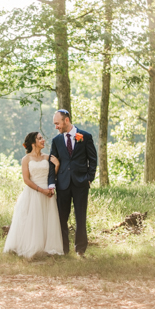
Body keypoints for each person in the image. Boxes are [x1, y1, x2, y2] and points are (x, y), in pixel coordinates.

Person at [3, 132, 64, 259]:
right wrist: (41, 190)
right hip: (34, 192)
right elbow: (26, 180)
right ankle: (34, 247)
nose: (43, 140)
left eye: (42, 138)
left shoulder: (48, 157)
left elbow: (52, 176)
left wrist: (57, 165)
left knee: (48, 220)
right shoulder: (26, 159)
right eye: (40, 138)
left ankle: (49, 248)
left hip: (48, 193)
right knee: (34, 220)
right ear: (33, 143)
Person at [47, 109, 98, 257]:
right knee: (62, 217)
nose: (56, 127)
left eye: (57, 123)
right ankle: (64, 249)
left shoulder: (85, 136)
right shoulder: (56, 141)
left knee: (80, 216)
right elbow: (52, 163)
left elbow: (92, 159)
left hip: (81, 183)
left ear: (66, 120)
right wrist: (51, 183)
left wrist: (89, 177)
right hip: (62, 184)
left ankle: (80, 249)